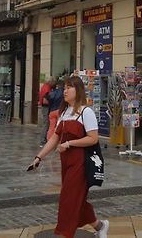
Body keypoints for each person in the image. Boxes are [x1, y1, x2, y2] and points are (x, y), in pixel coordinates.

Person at [29, 76, 109, 238]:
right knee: (75, 198)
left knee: (68, 198)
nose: (64, 91)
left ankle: (64, 233)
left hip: (80, 163)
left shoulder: (86, 112)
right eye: (64, 87)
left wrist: (70, 144)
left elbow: (93, 139)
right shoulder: (64, 113)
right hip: (66, 163)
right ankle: (100, 226)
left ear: (77, 90)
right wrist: (38, 157)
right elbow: (54, 138)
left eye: (68, 88)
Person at [38, 77, 55, 146]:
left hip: (44, 107)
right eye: (53, 82)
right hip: (46, 108)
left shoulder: (44, 86)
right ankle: (43, 140)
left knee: (46, 123)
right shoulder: (47, 88)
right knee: (46, 123)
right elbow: (45, 101)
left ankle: (44, 139)